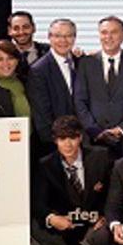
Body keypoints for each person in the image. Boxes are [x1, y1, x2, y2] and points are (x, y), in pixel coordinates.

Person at [30, 115, 109, 245]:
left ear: (80, 137)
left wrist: (105, 216)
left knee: (106, 231)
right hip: (64, 221)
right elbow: (39, 203)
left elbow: (115, 193)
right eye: (62, 138)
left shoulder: (100, 157)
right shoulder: (46, 165)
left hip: (93, 220)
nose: (68, 144)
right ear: (55, 140)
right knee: (35, 224)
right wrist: (52, 218)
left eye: (72, 137)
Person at [73, 16, 123, 158]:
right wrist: (94, 130)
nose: (108, 37)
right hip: (94, 140)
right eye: (104, 32)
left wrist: (122, 128)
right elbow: (79, 100)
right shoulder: (86, 63)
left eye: (114, 32)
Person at [27, 18, 80, 159]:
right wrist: (60, 143)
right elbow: (42, 115)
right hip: (56, 146)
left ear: (74, 38)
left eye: (68, 35)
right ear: (49, 37)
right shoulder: (38, 70)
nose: (63, 40)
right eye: (57, 36)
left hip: (82, 141)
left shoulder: (81, 63)